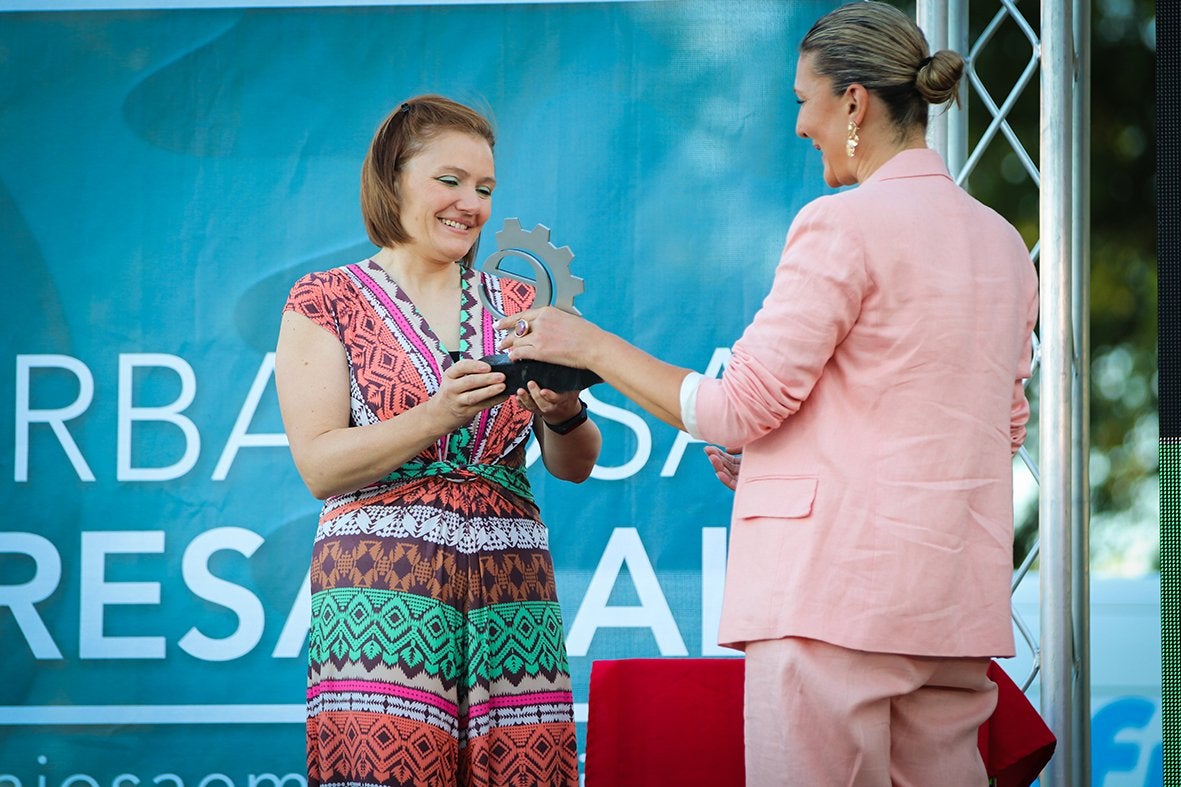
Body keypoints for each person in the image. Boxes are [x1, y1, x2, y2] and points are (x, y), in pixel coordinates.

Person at [497, 3, 1039, 784]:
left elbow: (733, 408)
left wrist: (589, 344)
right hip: (950, 609)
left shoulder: (842, 225)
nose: (796, 125)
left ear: (852, 102)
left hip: (830, 607)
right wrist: (793, 465)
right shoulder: (1000, 244)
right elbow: (993, 427)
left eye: (801, 100)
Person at [274, 94, 601, 787]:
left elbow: (573, 464)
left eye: (484, 187)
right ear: (393, 178)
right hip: (383, 592)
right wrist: (434, 415)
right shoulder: (326, 298)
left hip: (513, 592)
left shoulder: (517, 303)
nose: (470, 203)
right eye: (448, 180)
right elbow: (319, 465)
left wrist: (563, 407)